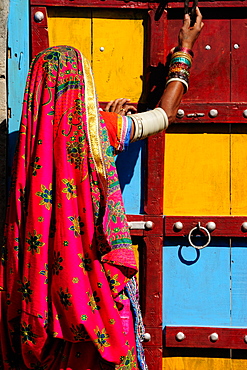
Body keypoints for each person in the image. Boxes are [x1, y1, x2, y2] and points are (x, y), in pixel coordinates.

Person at [0, 8, 203, 370]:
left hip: (43, 310)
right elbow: (164, 117)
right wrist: (183, 51)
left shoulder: (26, 152)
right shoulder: (100, 131)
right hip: (95, 299)